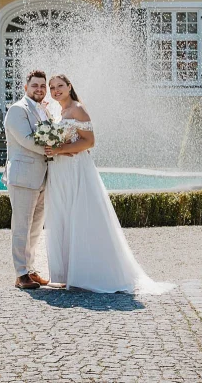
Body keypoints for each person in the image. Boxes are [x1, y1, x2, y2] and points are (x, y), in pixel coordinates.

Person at [43, 73, 173, 294]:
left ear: (69, 86)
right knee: (64, 216)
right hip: (61, 171)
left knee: (81, 216)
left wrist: (59, 149)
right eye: (52, 87)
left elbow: (90, 141)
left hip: (76, 170)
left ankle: (89, 273)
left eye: (60, 86)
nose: (56, 90)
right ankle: (68, 273)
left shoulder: (78, 109)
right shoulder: (60, 111)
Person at [2, 69, 63, 290]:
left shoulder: (44, 111)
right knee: (21, 227)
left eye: (42, 86)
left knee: (35, 228)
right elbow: (27, 140)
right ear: (25, 88)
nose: (39, 89)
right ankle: (20, 274)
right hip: (23, 177)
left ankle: (30, 268)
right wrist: (54, 149)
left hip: (41, 177)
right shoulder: (18, 110)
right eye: (35, 85)